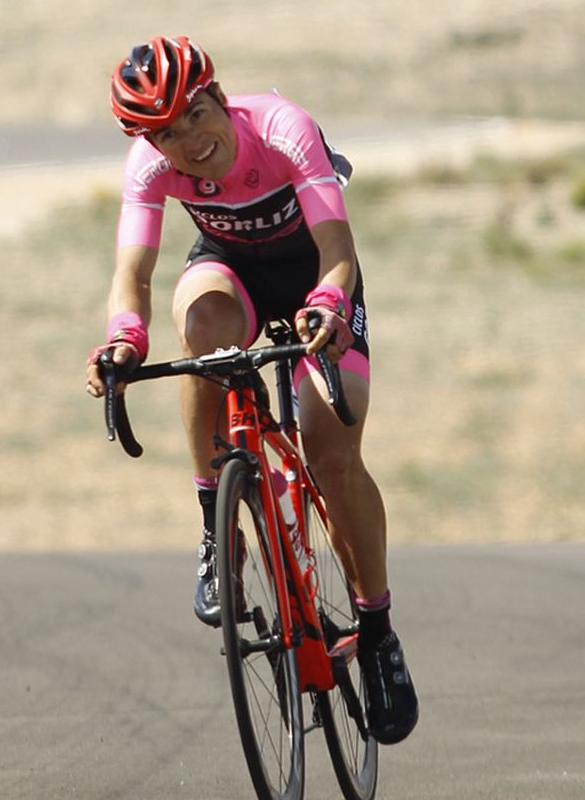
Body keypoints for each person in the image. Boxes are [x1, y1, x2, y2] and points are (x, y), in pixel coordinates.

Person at [87, 36, 419, 745]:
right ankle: (218, 522)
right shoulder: (149, 166)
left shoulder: (281, 128)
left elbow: (338, 253)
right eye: (167, 134)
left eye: (197, 115)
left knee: (331, 455)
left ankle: (378, 628)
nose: (189, 141)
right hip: (228, 272)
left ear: (218, 97)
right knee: (203, 329)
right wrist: (122, 338)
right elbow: (134, 273)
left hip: (315, 281)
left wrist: (329, 306)